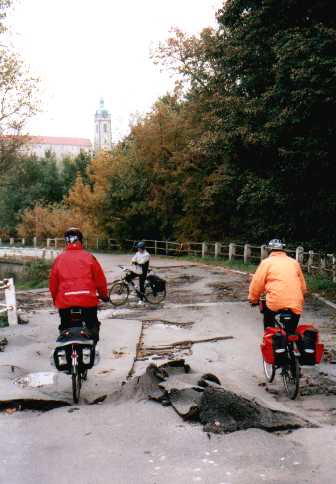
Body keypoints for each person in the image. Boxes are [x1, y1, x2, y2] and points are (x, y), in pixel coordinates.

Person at [49, 227, 109, 344]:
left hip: (65, 301)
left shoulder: (59, 259)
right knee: (92, 326)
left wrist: (55, 298)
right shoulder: (89, 257)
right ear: (81, 240)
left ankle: (64, 341)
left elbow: (53, 283)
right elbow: (100, 280)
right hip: (87, 300)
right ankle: (92, 347)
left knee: (65, 326)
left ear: (66, 241)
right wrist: (103, 295)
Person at [248, 239, 307, 334]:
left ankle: (270, 336)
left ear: (269, 250)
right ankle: (291, 337)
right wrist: (301, 296)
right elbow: (303, 286)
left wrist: (253, 299)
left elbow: (257, 283)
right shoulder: (294, 262)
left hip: (274, 302)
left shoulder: (266, 263)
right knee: (291, 331)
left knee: (268, 317)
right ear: (283, 249)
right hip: (295, 302)